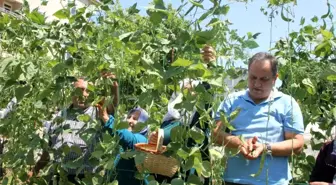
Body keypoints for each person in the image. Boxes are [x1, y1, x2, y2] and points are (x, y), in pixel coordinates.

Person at [213, 52, 305, 185]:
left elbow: (297, 144)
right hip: (234, 181)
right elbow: (215, 134)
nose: (257, 84)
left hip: (273, 182)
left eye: (264, 79)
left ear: (275, 78)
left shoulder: (286, 103)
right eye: (253, 77)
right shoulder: (231, 101)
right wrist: (240, 143)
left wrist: (265, 147)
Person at [30, 73, 118, 184]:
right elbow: (48, 150)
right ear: (72, 92)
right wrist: (36, 169)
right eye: (80, 90)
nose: (84, 94)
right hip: (59, 176)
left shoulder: (97, 113)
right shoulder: (59, 116)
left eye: (88, 91)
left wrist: (113, 87)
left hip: (86, 178)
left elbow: (112, 107)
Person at [148, 45, 216, 184]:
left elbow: (207, 94)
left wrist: (209, 66)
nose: (187, 88)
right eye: (184, 87)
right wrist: (157, 136)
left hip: (190, 173)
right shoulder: (170, 118)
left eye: (193, 87)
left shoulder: (199, 118)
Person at [100, 106, 150, 185]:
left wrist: (107, 120)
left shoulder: (143, 141)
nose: (130, 120)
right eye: (129, 117)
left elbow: (127, 138)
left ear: (143, 124)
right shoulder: (122, 142)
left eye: (135, 119)